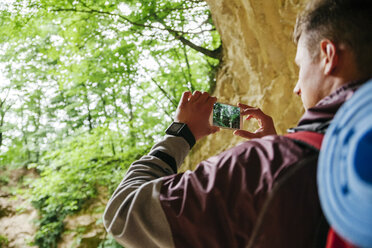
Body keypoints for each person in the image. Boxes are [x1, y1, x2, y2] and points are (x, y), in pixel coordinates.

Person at [103, 0, 372, 247]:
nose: (296, 88)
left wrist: (181, 133)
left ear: (328, 55)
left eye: (300, 67)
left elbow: (123, 213)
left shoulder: (270, 165)